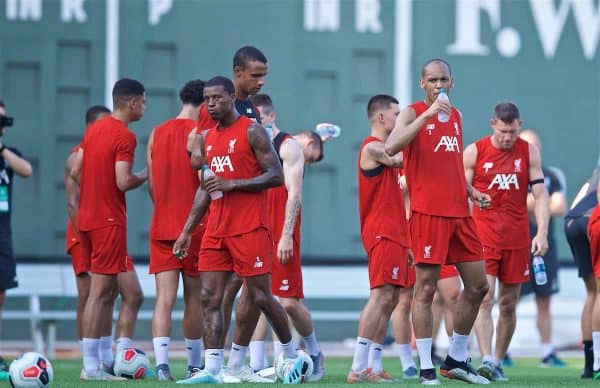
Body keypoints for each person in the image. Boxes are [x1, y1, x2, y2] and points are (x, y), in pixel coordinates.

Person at [173, 76, 303, 384]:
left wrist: (234, 184)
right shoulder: (206, 138)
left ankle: (291, 354)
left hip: (250, 228)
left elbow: (275, 175)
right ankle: (212, 369)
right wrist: (187, 230)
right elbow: (207, 188)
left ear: (232, 97)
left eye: (218, 97)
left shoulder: (252, 131)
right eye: (207, 99)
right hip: (216, 229)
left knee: (260, 296)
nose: (212, 103)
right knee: (209, 297)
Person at [384, 58, 490, 385]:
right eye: (433, 80)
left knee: (478, 286)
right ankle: (427, 366)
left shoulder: (455, 115)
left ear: (452, 82)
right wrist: (427, 115)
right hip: (428, 214)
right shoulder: (413, 112)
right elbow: (390, 147)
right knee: (426, 290)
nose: (439, 85)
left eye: (444, 79)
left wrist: (470, 190)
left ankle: (456, 358)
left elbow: (450, 163)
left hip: (460, 213)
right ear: (423, 84)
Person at [241, 94, 324, 381]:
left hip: (282, 235)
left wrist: (286, 235)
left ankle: (313, 351)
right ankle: (256, 364)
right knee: (256, 297)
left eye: (258, 118)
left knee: (287, 302)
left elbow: (295, 194)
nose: (253, 124)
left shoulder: (287, 147)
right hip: (256, 233)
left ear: (270, 116)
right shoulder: (251, 147)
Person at [465, 103, 549, 381]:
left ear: (519, 126)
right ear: (492, 124)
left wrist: (542, 233)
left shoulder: (528, 152)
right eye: (503, 132)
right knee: (485, 298)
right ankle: (487, 358)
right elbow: (461, 192)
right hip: (483, 236)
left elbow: (540, 195)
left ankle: (499, 361)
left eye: (513, 132)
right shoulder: (475, 151)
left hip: (516, 238)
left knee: (509, 304)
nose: (508, 137)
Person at [72, 79, 148, 380]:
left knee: (109, 291)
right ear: (132, 103)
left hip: (87, 219)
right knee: (100, 293)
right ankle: (91, 367)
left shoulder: (93, 131)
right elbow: (123, 181)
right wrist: (147, 173)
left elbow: (76, 171)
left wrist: (95, 190)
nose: (144, 106)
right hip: (108, 221)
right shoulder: (124, 136)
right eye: (143, 101)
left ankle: (103, 360)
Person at [345, 95, 414, 383]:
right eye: (397, 114)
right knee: (381, 296)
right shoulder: (372, 147)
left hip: (396, 233)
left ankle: (373, 365)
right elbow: (394, 155)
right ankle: (358, 367)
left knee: (390, 299)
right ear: (382, 118)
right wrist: (419, 124)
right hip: (381, 231)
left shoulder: (382, 147)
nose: (400, 119)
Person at [146, 80, 206, 381]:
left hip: (161, 225)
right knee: (194, 298)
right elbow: (204, 185)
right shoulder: (197, 134)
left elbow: (152, 186)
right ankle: (195, 365)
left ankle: (161, 366)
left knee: (163, 299)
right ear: (204, 103)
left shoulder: (156, 133)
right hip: (193, 228)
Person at [519, 129, 568, 367]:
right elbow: (511, 203)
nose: (533, 150)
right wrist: (540, 202)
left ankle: (547, 352)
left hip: (544, 247)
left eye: (536, 145)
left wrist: (536, 202)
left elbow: (560, 207)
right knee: (509, 300)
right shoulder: (511, 173)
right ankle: (500, 353)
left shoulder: (550, 175)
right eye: (529, 145)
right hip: (516, 246)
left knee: (545, 300)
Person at [0, 99, 33, 371]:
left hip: (2, 236)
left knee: (0, 295)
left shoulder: (9, 154)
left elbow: (26, 170)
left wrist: (1, 150)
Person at [565, 166, 600, 378]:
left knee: (593, 293)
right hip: (593, 219)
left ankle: (590, 365)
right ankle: (597, 363)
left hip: (574, 220)